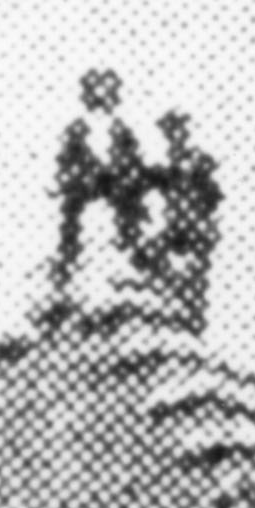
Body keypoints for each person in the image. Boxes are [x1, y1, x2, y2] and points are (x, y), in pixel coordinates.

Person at [50, 69, 148, 287]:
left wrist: (126, 173)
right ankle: (68, 258)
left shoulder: (120, 127)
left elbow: (132, 157)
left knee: (130, 208)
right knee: (71, 209)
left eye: (107, 93)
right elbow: (66, 159)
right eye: (96, 93)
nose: (101, 100)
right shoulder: (78, 127)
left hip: (115, 183)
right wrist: (72, 177)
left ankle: (133, 254)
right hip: (86, 184)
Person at [144, 108, 224, 324]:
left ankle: (193, 314)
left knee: (195, 273)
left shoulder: (197, 161)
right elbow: (151, 179)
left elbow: (213, 196)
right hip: (177, 226)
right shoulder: (167, 164)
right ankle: (178, 310)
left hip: (195, 226)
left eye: (177, 131)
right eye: (170, 133)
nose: (174, 137)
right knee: (160, 262)